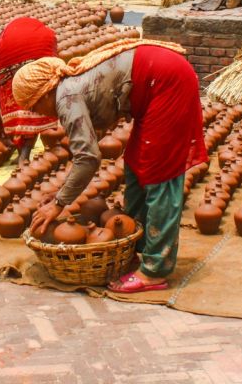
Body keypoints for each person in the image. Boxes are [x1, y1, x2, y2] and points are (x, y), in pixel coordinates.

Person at [13, 38, 206, 294]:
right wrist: (59, 194)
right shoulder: (68, 89)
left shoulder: (66, 97)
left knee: (160, 171)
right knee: (137, 161)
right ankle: (135, 248)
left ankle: (155, 269)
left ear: (45, 92)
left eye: (35, 106)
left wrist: (60, 202)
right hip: (157, 77)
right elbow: (88, 148)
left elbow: (89, 158)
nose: (39, 113)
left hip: (166, 80)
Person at [0, 17, 59, 163]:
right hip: (45, 42)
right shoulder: (2, 45)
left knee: (17, 107)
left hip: (38, 46)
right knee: (38, 101)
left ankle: (23, 155)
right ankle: (27, 153)